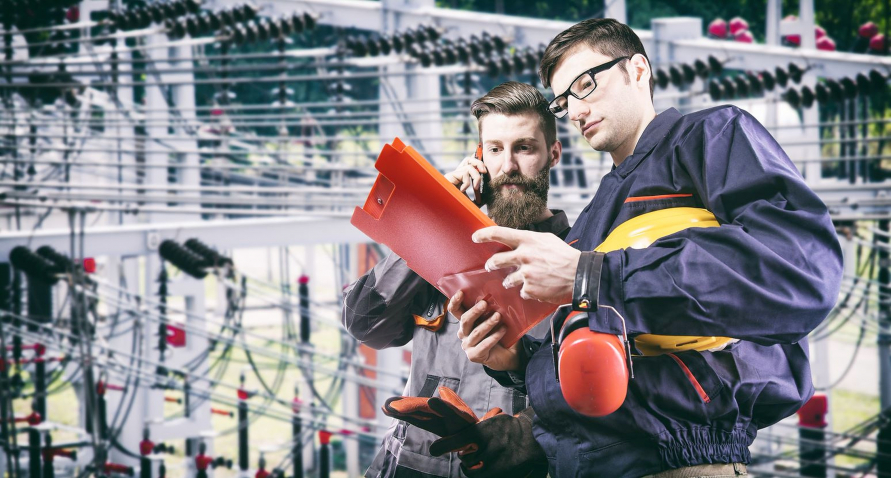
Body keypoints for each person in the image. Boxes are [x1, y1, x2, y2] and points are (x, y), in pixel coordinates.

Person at [451, 19, 843, 478]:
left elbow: (798, 268)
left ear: (638, 69)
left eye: (584, 84)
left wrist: (593, 276)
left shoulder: (710, 138)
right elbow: (600, 367)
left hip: (685, 464)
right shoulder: (592, 221)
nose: (575, 111)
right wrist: (516, 364)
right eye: (563, 101)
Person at [342, 81, 570, 478]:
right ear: (480, 156)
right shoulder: (439, 246)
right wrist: (433, 221)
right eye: (496, 149)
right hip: (410, 465)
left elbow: (582, 398)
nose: (509, 166)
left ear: (553, 153)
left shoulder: (572, 260)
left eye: (525, 148)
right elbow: (365, 325)